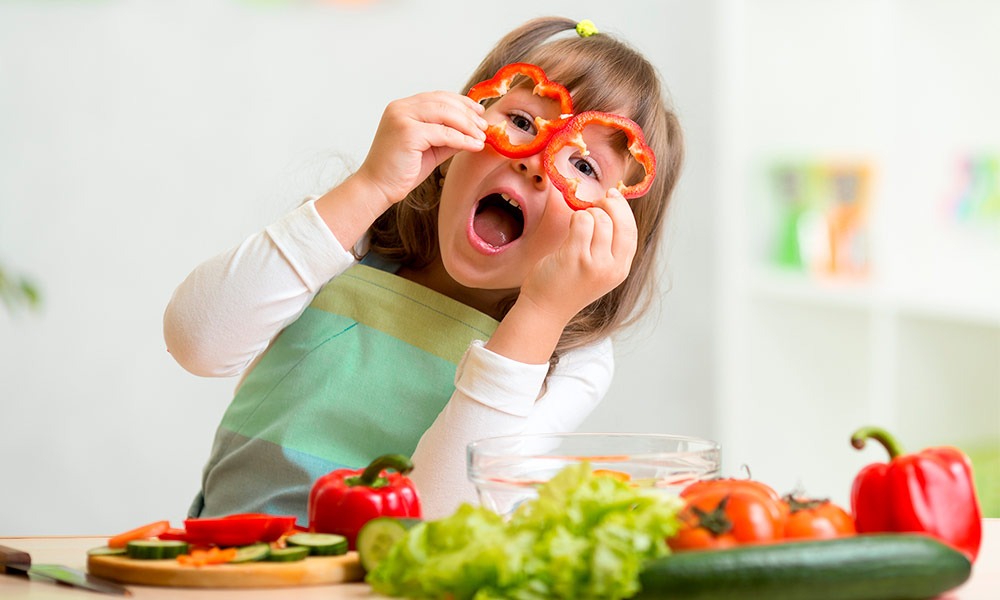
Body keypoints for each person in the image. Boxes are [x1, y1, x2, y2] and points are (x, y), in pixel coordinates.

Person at [163, 16, 684, 522]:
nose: (535, 161)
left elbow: (441, 517)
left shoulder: (573, 358)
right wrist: (368, 185)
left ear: (615, 229)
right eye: (522, 122)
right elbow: (197, 343)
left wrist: (541, 314)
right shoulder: (353, 234)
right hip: (221, 566)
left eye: (584, 165)